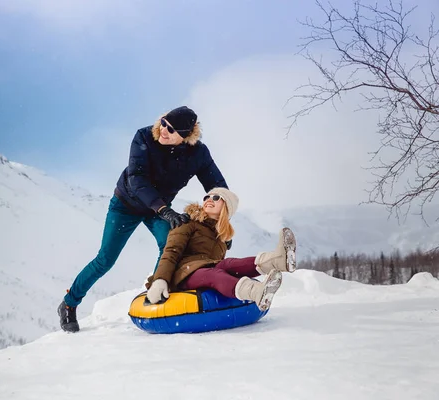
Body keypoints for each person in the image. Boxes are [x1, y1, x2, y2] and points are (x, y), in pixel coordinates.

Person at [58, 106, 229, 332]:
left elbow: (218, 188)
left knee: (170, 246)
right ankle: (69, 304)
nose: (163, 130)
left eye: (171, 129)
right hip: (125, 205)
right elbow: (136, 178)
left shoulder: (198, 154)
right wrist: (163, 209)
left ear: (186, 136)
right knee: (105, 259)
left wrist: (223, 224)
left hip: (158, 208)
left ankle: (157, 291)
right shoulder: (144, 137)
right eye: (164, 123)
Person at [145, 187, 297, 311]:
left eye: (216, 197)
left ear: (227, 207)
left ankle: (278, 261)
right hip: (183, 274)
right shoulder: (187, 222)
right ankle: (256, 292)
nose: (209, 199)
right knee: (214, 273)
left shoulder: (221, 236)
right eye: (207, 197)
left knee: (228, 264)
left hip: (204, 270)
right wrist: (160, 280)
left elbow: (220, 264)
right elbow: (171, 251)